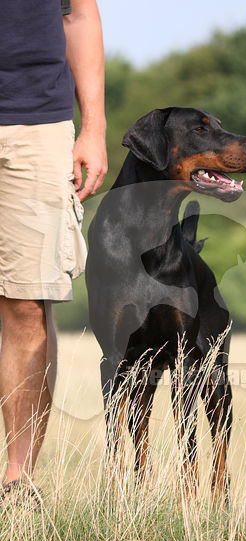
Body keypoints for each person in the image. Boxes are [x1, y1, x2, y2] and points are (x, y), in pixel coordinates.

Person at [0, 0, 107, 500]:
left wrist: (94, 127)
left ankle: (17, 481)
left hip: (36, 125)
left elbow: (79, 15)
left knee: (26, 303)